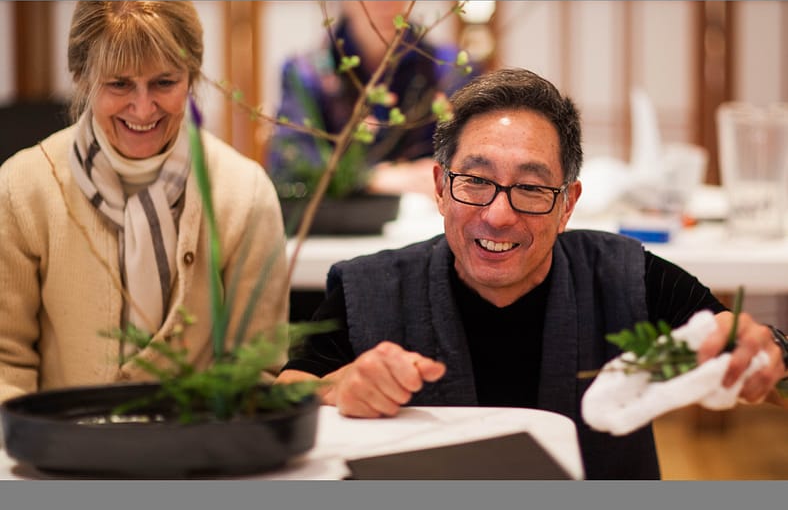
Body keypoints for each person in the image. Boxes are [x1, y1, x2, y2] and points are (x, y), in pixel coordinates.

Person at [276, 68, 788, 479]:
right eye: (475, 181)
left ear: (568, 204)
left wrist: (764, 356)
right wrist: (336, 388)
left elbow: (752, 357)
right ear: (438, 186)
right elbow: (282, 393)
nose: (498, 215)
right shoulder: (371, 288)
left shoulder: (626, 276)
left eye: (531, 188)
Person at [0, 0, 289, 404]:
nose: (142, 107)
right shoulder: (24, 186)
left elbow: (255, 365)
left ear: (191, 79)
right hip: (63, 450)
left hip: (198, 450)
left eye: (164, 83)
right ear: (82, 80)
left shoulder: (244, 191)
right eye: (119, 84)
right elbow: (5, 361)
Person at [267, 0, 479, 196]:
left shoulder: (448, 68)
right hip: (339, 222)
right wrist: (368, 177)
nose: (385, 3)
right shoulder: (307, 72)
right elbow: (289, 163)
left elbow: (474, 157)